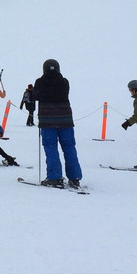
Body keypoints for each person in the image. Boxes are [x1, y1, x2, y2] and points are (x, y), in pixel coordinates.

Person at [32, 59, 83, 188]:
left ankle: (54, 178)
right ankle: (74, 177)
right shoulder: (64, 82)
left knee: (51, 148)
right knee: (69, 147)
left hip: (47, 121)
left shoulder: (40, 82)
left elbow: (36, 96)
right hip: (65, 120)